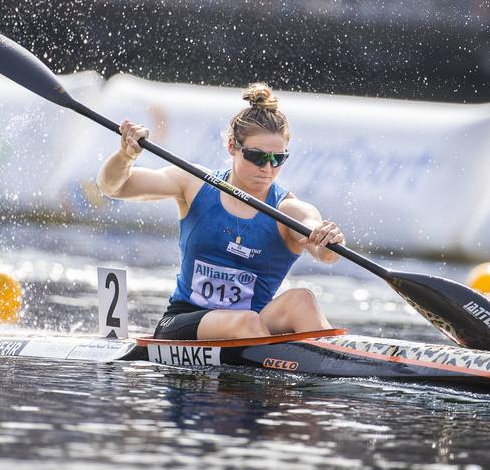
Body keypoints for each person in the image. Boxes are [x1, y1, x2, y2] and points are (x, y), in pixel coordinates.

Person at [96, 83, 345, 340]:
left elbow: (325, 253)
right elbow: (113, 187)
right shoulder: (194, 183)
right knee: (246, 322)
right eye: (257, 157)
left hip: (252, 326)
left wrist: (328, 238)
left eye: (277, 159)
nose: (268, 168)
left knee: (301, 299)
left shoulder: (289, 210)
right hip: (183, 321)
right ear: (232, 146)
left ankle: (338, 364)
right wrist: (125, 156)